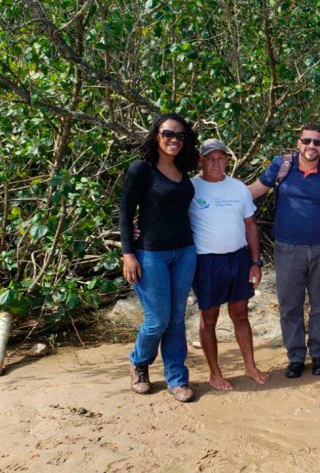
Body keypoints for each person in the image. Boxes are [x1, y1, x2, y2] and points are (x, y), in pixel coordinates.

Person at [248, 124, 320, 378]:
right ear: (298, 142)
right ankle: (296, 357)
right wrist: (219, 199)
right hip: (288, 248)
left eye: (318, 142)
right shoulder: (282, 165)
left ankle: (319, 353)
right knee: (290, 306)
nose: (312, 146)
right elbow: (254, 192)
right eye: (307, 141)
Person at [120, 113, 198, 402]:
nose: (174, 140)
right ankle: (139, 362)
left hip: (185, 252)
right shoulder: (141, 169)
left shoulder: (183, 170)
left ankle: (177, 379)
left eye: (179, 135)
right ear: (156, 135)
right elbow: (126, 212)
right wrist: (128, 254)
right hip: (150, 253)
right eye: (168, 134)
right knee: (157, 320)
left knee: (177, 319)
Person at [190, 139, 269, 391]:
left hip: (238, 258)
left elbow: (250, 225)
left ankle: (250, 365)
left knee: (240, 314)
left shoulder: (238, 188)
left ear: (227, 160)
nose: (216, 163)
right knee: (209, 318)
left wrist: (255, 262)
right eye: (210, 158)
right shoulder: (190, 187)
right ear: (200, 161)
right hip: (206, 261)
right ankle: (215, 373)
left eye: (220, 158)